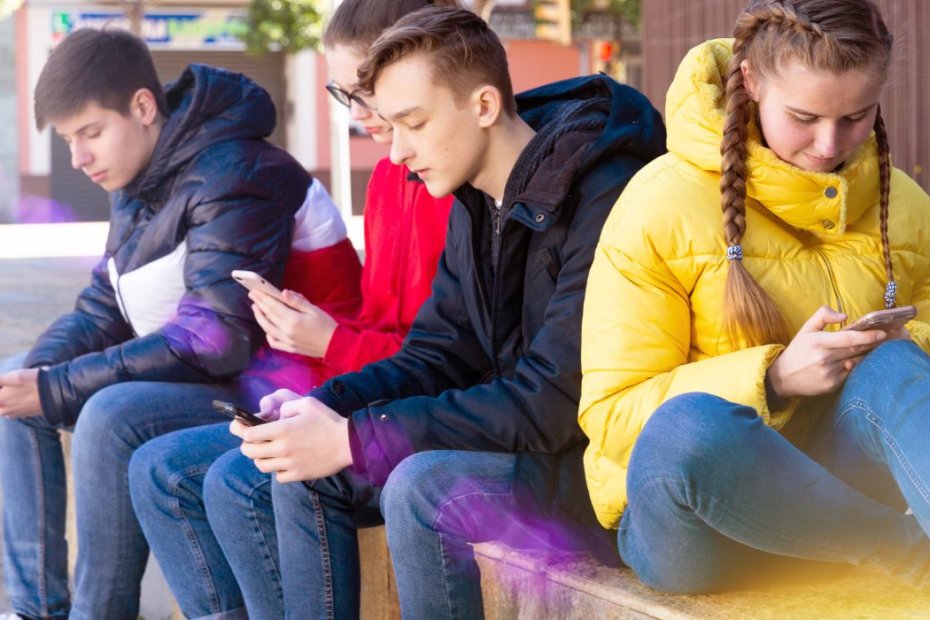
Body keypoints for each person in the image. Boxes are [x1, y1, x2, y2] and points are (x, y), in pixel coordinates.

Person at [225, 6, 666, 618]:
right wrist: (328, 407)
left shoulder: (607, 195)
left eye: (413, 123)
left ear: (483, 106)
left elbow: (552, 403)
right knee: (296, 469)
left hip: (602, 471)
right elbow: (438, 354)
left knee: (421, 487)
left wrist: (355, 438)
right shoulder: (477, 196)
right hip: (531, 449)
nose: (398, 152)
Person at [579, 0, 930, 595]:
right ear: (751, 82)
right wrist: (775, 379)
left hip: (836, 487)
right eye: (804, 116)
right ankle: (904, 552)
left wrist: (891, 346)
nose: (828, 144)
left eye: (855, 116)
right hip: (697, 525)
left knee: (895, 368)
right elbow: (612, 413)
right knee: (685, 428)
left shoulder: (906, 203)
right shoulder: (658, 204)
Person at [127, 2, 457, 618]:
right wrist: (317, 335)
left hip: (417, 416)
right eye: (343, 93)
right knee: (159, 466)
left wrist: (330, 346)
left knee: (227, 479)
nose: (359, 114)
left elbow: (445, 358)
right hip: (367, 390)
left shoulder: (449, 182)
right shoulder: (390, 177)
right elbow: (386, 326)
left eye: (367, 92)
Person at [0, 28, 313, 620]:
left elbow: (217, 340)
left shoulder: (234, 170)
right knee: (16, 379)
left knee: (109, 413)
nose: (78, 158)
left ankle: (100, 611)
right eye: (69, 140)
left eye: (91, 133)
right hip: (203, 375)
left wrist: (58, 387)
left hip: (275, 383)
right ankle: (37, 609)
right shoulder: (138, 180)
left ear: (143, 107)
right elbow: (104, 306)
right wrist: (40, 374)